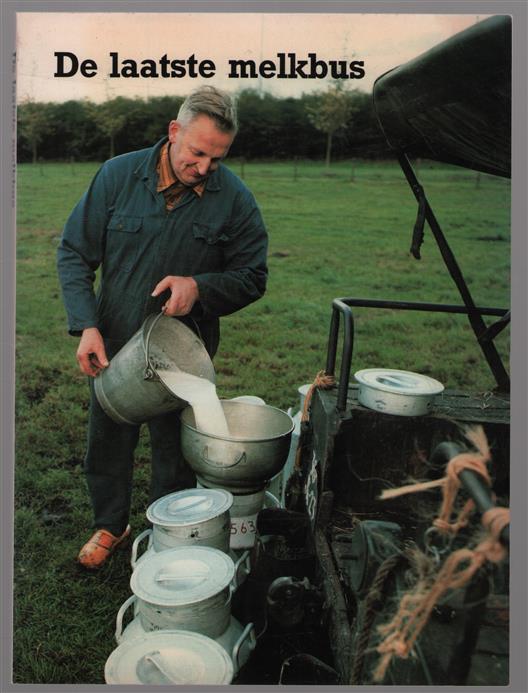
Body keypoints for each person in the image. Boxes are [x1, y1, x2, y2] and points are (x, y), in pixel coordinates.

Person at [57, 85, 268, 569]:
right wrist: (86, 325)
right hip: (113, 341)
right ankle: (111, 524)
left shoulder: (234, 200)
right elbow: (74, 252)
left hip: (184, 353)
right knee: (108, 439)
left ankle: (166, 535)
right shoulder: (117, 176)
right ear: (174, 132)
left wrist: (201, 286)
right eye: (197, 152)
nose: (205, 168)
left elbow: (253, 277)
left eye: (217, 158)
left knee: (175, 451)